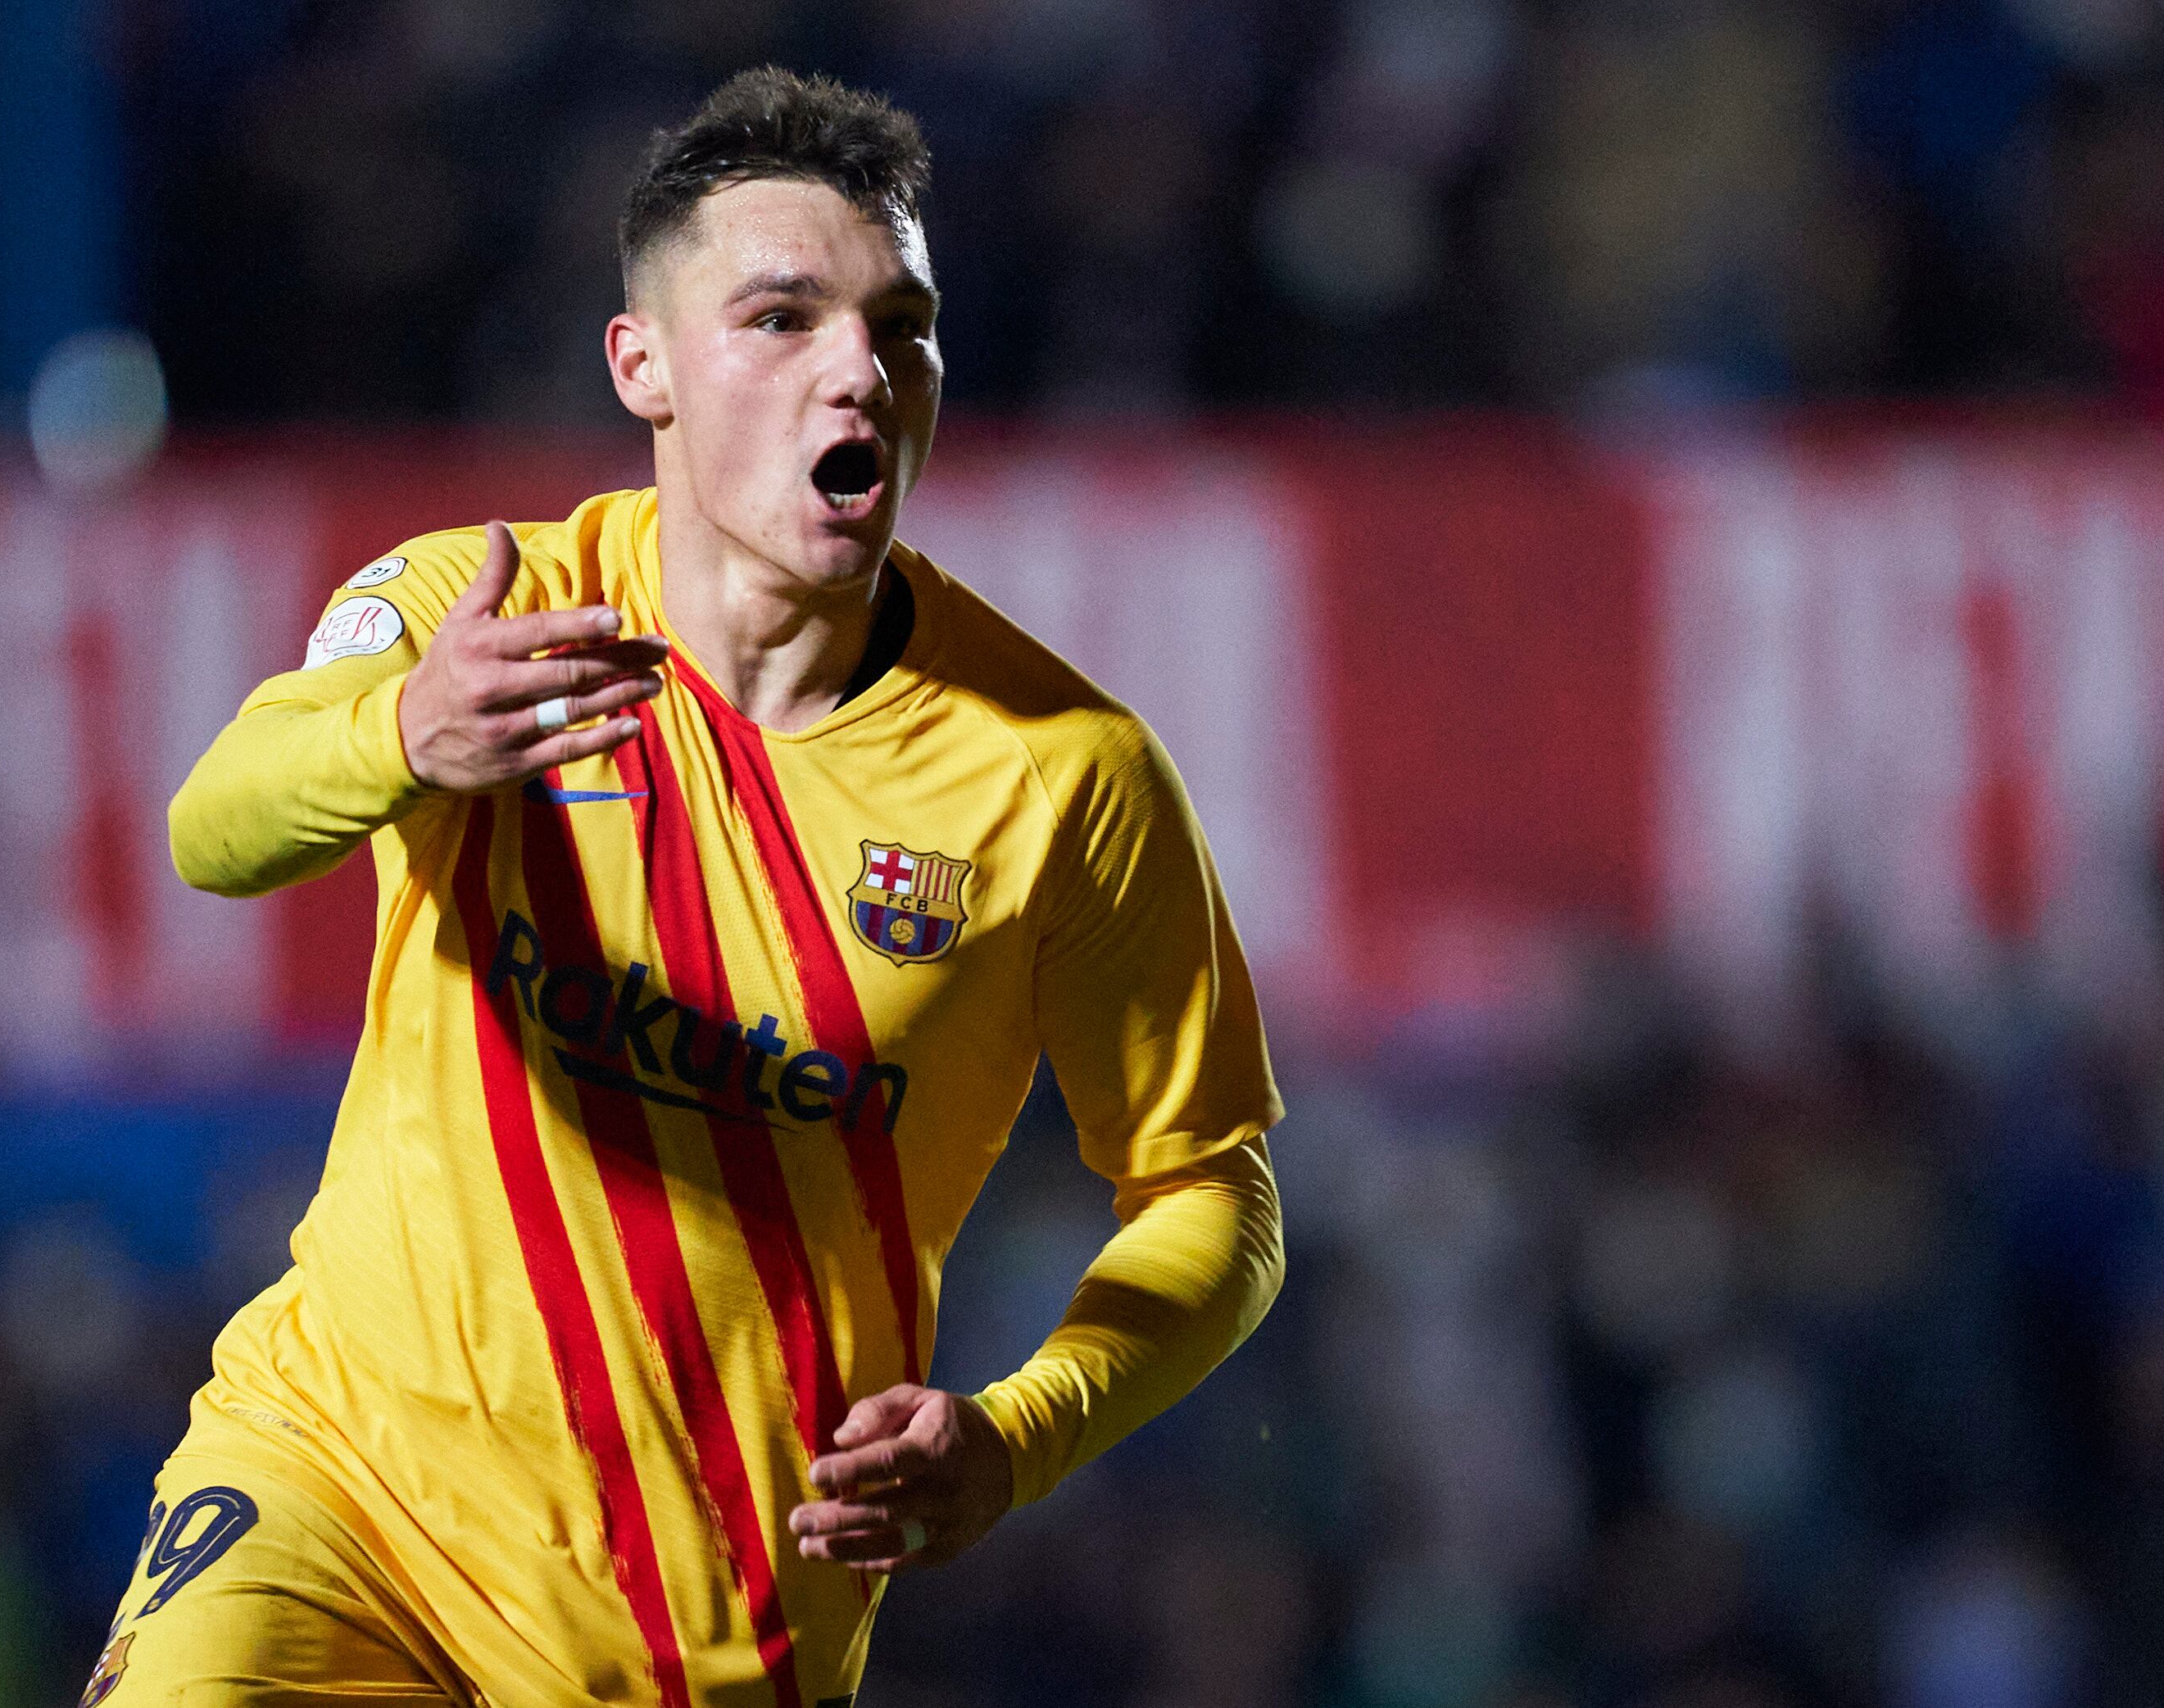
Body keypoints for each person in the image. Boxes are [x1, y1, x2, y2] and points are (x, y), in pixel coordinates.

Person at [102, 66, 1284, 1708]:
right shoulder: (477, 610)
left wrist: (1018, 1432)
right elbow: (214, 828)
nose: (857, 368)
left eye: (902, 324)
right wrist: (404, 733)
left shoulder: (1060, 773)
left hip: (696, 1629)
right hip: (340, 1483)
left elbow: (1212, 1192)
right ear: (640, 363)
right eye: (783, 318)